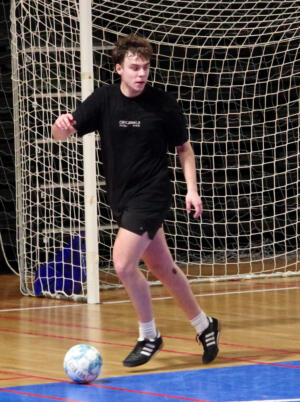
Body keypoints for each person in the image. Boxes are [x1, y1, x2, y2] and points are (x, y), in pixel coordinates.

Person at [52, 34, 220, 366]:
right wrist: (60, 126)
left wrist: (192, 190)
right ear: (119, 69)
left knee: (123, 264)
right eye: (134, 68)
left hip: (152, 194)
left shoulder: (162, 103)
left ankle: (149, 335)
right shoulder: (104, 100)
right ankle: (205, 325)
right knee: (162, 268)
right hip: (122, 198)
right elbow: (63, 133)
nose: (141, 73)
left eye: (145, 67)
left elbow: (184, 149)